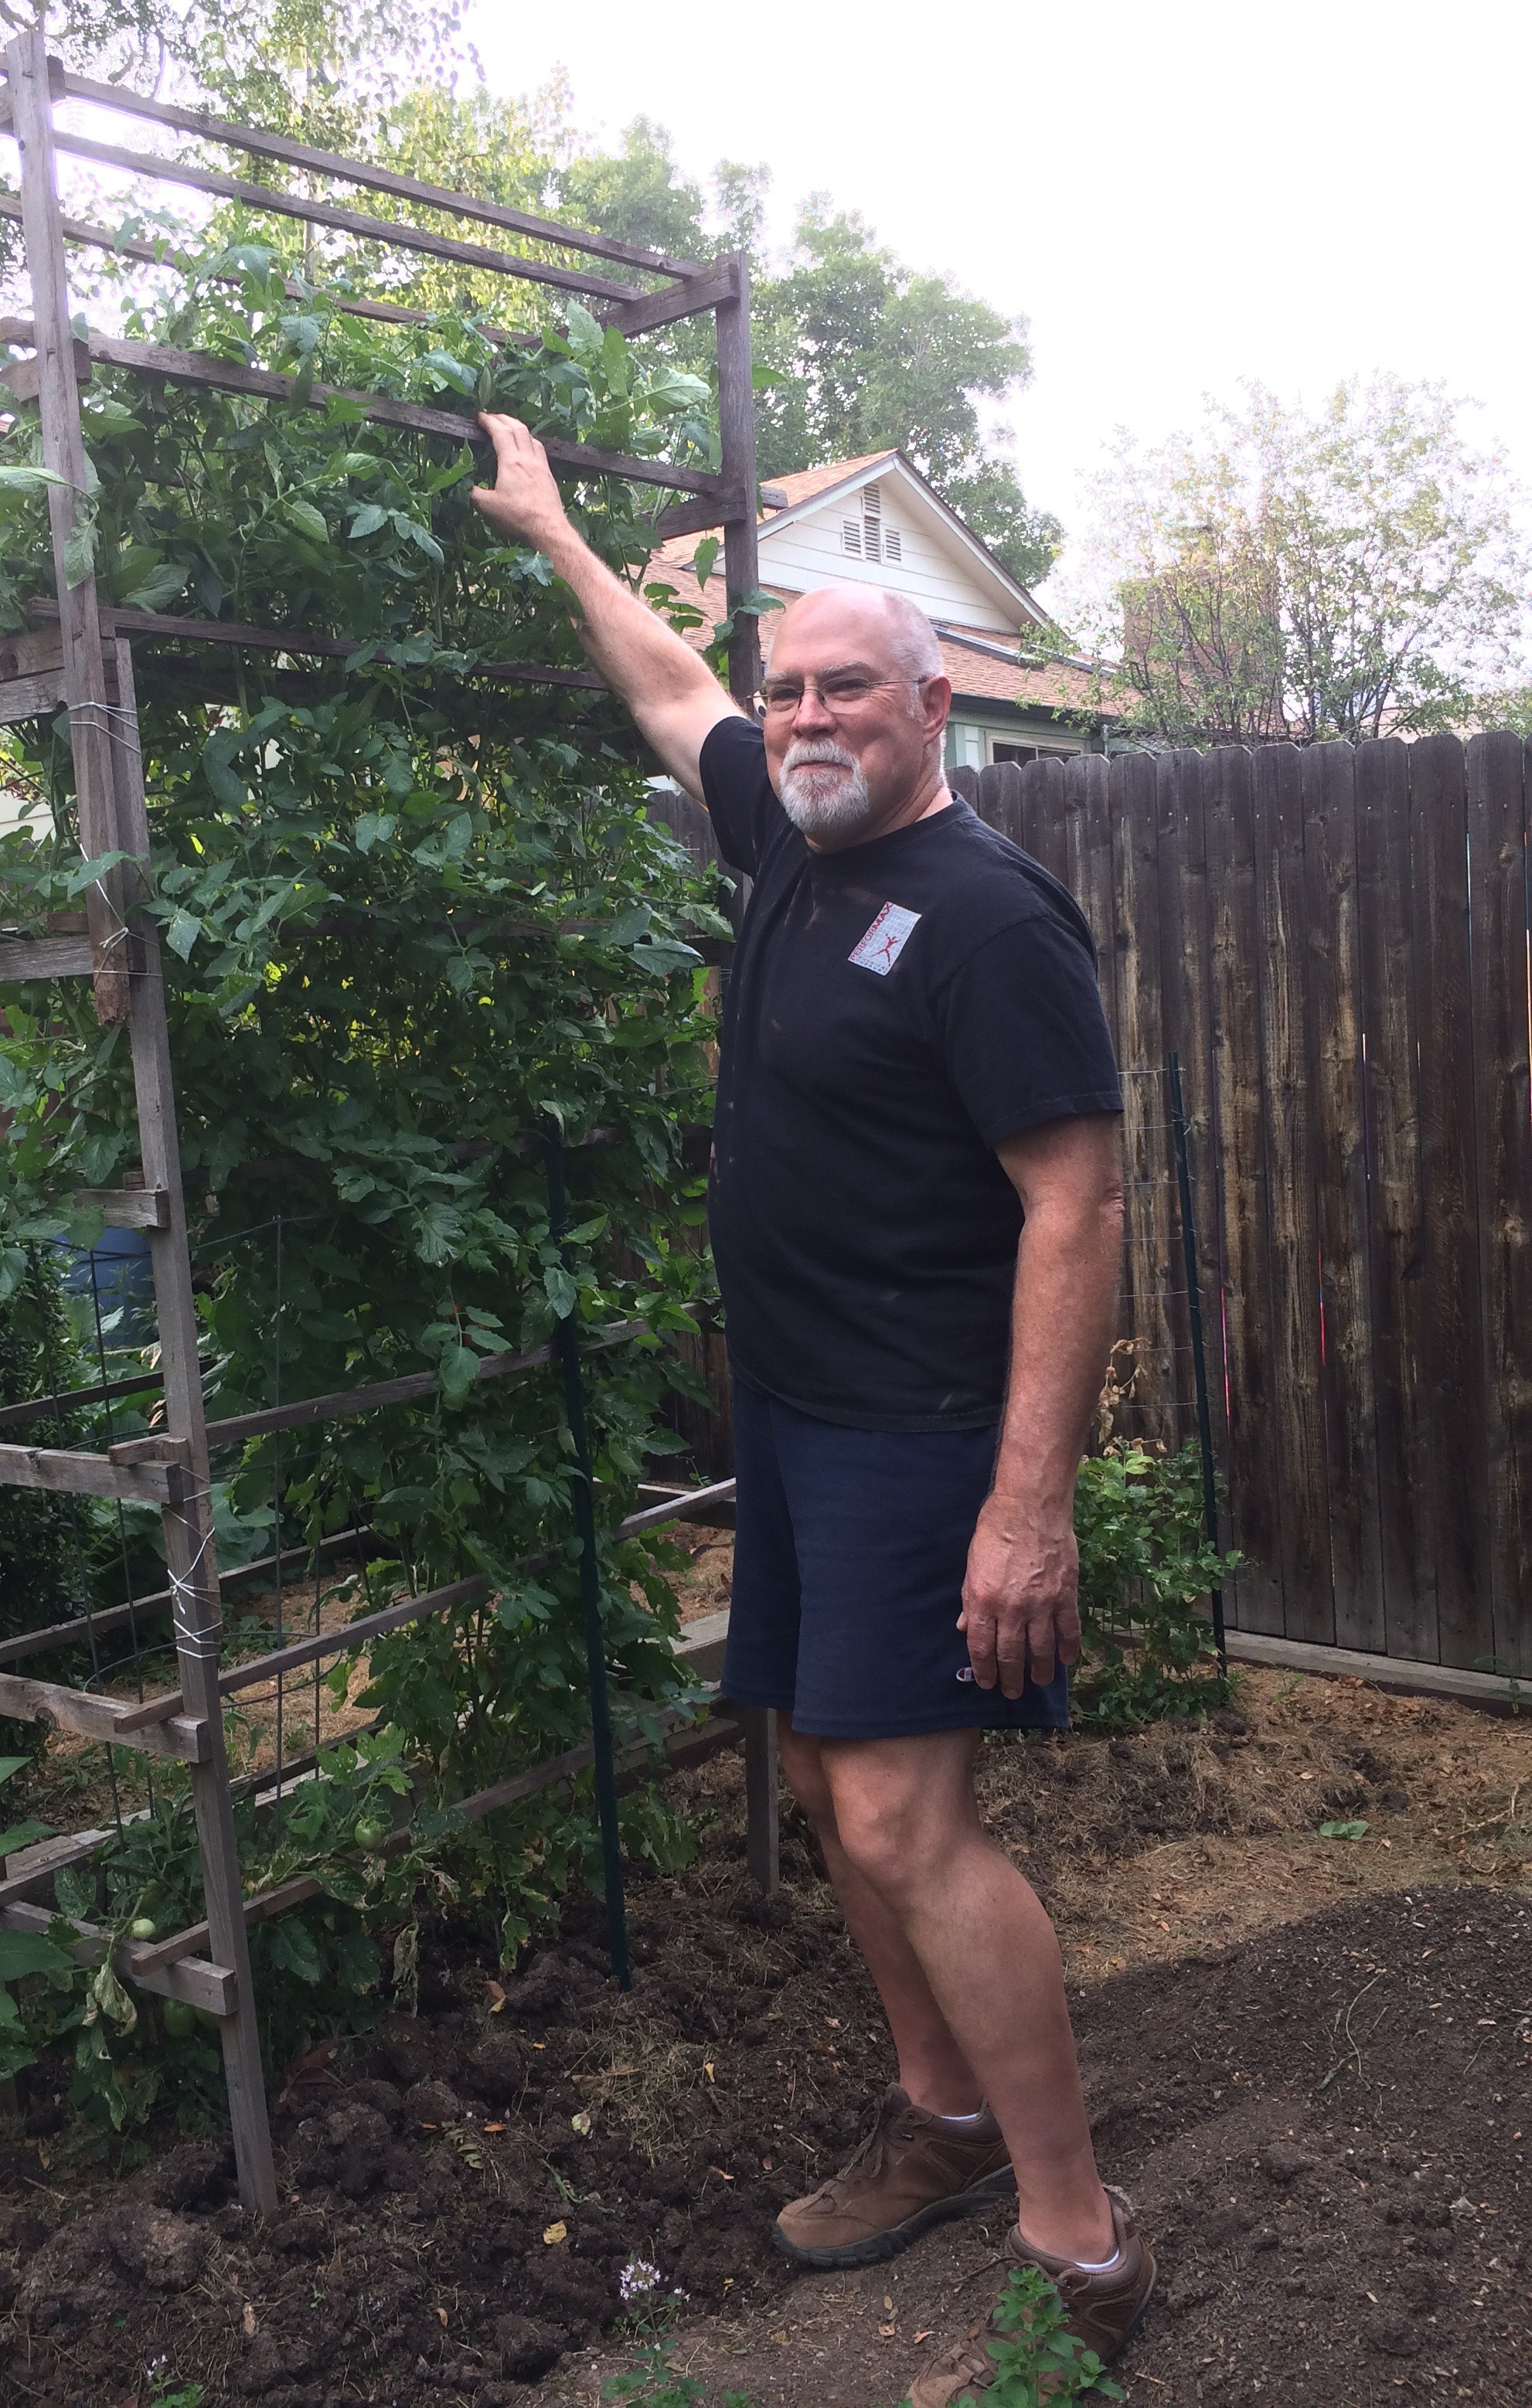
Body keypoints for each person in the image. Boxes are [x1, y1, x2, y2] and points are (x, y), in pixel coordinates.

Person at [471, 414, 1155, 2402]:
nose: (802, 712)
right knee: (813, 1774)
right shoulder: (786, 826)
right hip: (798, 1415)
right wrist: (555, 533)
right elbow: (670, 683)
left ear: (936, 705)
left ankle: (1079, 2241)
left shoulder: (989, 916)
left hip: (924, 1428)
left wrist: (1030, 1507)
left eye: (845, 682)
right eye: (791, 688)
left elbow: (1075, 1199)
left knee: (901, 1814)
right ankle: (938, 2118)